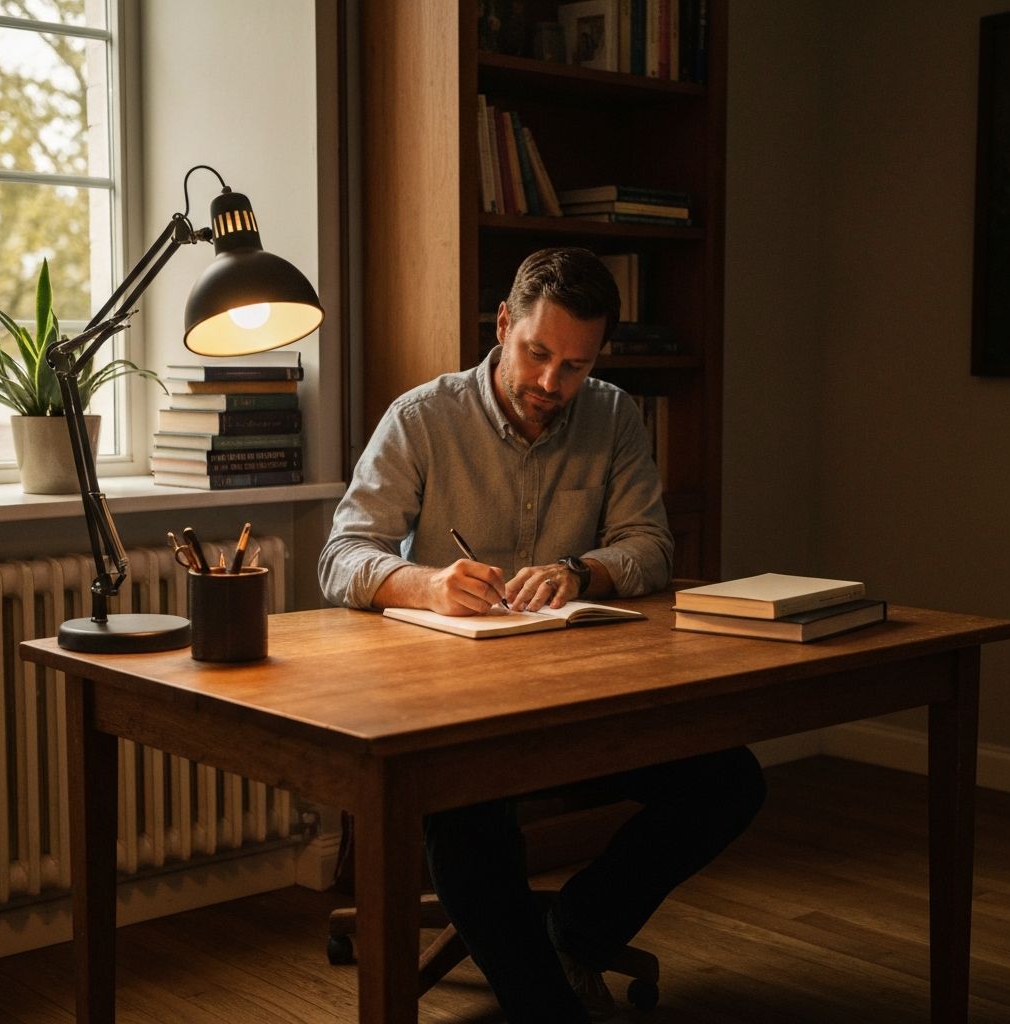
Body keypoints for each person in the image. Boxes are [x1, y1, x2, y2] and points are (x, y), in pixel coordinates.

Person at [319, 247, 765, 1022]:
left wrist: (580, 571)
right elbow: (341, 555)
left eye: (576, 366)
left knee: (729, 783)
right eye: (537, 354)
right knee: (466, 816)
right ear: (503, 325)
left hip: (581, 696)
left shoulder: (614, 416)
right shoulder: (423, 418)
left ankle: (577, 933)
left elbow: (651, 547)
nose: (552, 384)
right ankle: (546, 1006)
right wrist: (426, 583)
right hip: (453, 703)